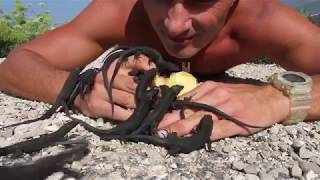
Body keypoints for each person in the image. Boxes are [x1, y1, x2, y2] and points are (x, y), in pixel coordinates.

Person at [0, 0, 319, 141]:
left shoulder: (264, 18)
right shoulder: (122, 10)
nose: (174, 24)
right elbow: (16, 64)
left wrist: (279, 97)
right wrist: (80, 88)